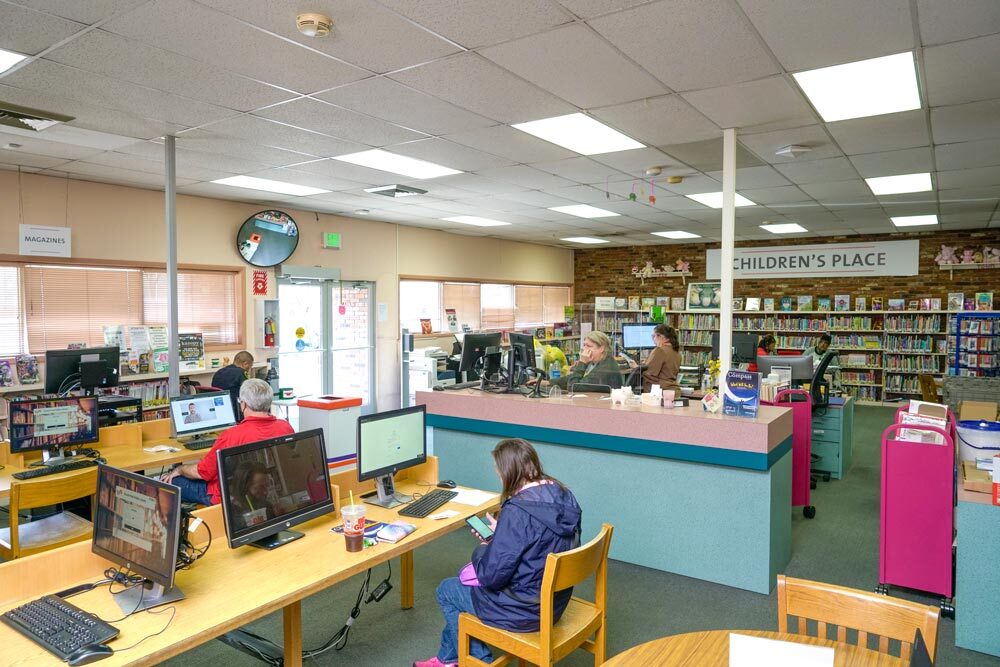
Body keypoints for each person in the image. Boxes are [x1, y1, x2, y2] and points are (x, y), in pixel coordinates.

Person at [414, 439, 582, 667]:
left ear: (508, 471)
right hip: (554, 603)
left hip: (524, 610)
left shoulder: (518, 512)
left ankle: (477, 661)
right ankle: (447, 659)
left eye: (498, 470)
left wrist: (484, 548)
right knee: (461, 587)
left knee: (448, 589)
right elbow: (536, 543)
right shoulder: (564, 495)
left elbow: (491, 577)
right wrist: (501, 536)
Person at [162, 379, 293, 506]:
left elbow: (202, 473)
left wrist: (179, 469)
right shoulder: (285, 427)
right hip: (263, 490)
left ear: (243, 404)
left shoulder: (231, 436)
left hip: (224, 497)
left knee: (169, 480)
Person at [549, 330, 622, 389]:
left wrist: (582, 363)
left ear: (601, 349)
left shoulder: (605, 368)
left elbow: (572, 386)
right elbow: (572, 378)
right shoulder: (596, 362)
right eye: (584, 345)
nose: (584, 349)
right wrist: (548, 382)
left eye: (588, 346)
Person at [212, 350, 254, 419]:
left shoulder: (219, 372)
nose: (249, 369)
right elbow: (248, 392)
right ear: (245, 364)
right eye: (250, 366)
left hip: (220, 411)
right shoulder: (241, 373)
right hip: (236, 411)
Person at [641, 324, 682, 393]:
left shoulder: (660, 350)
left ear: (661, 336)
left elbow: (649, 373)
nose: (653, 340)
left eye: (653, 336)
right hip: (673, 391)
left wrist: (636, 367)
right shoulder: (676, 352)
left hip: (659, 392)